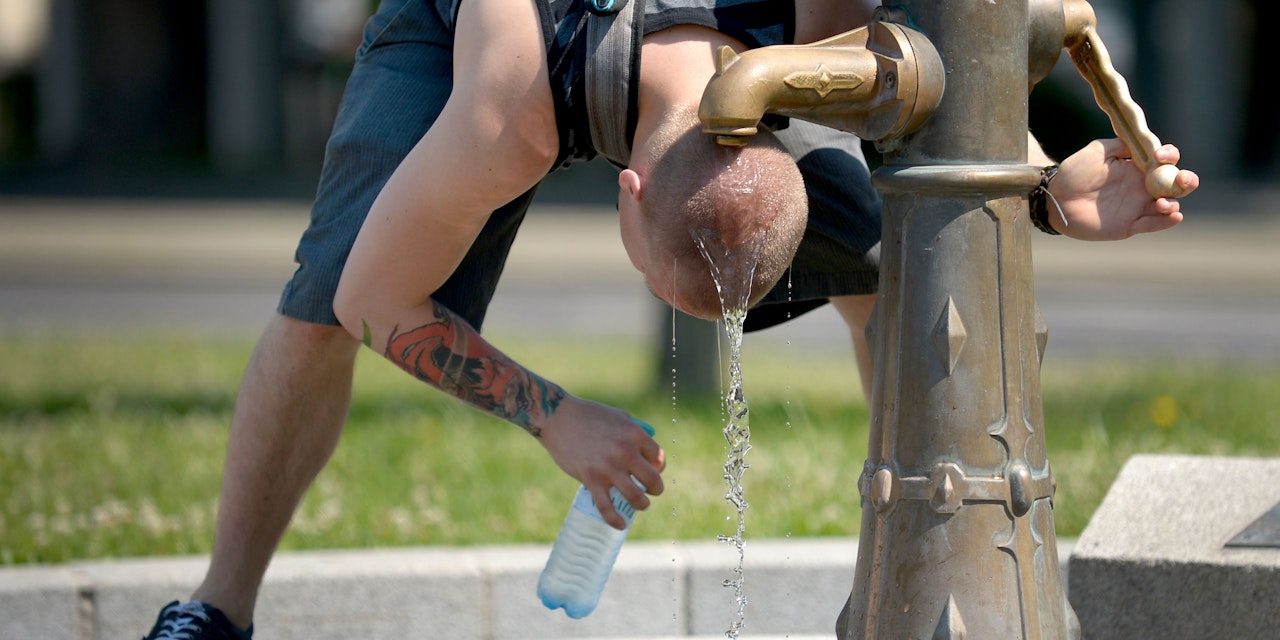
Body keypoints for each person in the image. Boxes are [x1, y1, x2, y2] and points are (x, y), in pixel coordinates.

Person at [142, 1, 1199, 638]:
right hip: (481, 27)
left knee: (888, 268)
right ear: (625, 196)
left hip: (693, 60)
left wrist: (1037, 203)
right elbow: (373, 302)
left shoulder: (811, 36)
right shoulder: (507, 109)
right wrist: (550, 415)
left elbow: (917, 121)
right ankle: (215, 609)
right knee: (322, 295)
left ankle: (913, 585)